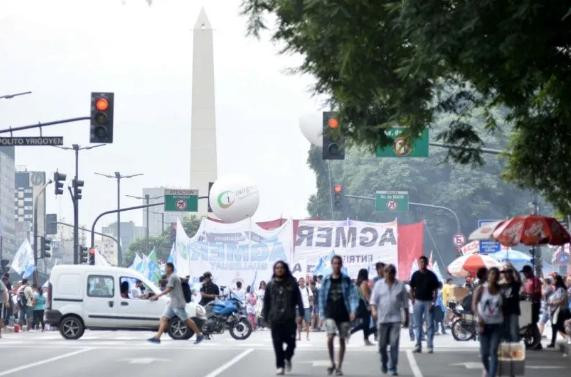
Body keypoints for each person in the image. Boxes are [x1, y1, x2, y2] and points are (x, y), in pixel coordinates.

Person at [318, 255, 358, 376]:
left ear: (341, 265)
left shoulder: (346, 279)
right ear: (331, 265)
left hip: (344, 313)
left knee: (342, 339)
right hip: (330, 312)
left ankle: (339, 366)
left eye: (338, 263)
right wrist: (322, 314)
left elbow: (353, 296)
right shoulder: (326, 279)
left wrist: (353, 310)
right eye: (334, 263)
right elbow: (321, 297)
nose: (336, 265)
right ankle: (332, 362)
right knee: (330, 338)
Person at [262, 261, 304, 375]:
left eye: (281, 268)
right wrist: (265, 317)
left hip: (289, 318)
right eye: (277, 268)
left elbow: (299, 300)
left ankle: (287, 357)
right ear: (274, 270)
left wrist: (301, 314)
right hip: (275, 319)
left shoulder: (292, 284)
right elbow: (266, 302)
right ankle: (280, 366)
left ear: (285, 269)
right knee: (277, 343)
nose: (279, 270)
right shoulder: (270, 285)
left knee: (292, 343)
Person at [148, 263, 204, 344]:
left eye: (166, 267)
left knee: (186, 319)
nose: (165, 269)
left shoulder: (173, 277)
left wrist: (157, 296)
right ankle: (157, 337)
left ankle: (199, 335)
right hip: (173, 303)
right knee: (163, 318)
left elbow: (169, 289)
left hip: (177, 303)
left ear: (170, 268)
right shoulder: (172, 277)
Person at [370, 264, 408, 376]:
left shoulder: (400, 285)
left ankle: (393, 368)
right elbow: (373, 301)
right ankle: (384, 361)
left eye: (391, 272)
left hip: (396, 320)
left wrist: (407, 318)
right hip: (382, 320)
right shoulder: (378, 285)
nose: (389, 274)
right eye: (387, 272)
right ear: (384, 273)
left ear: (394, 273)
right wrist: (374, 310)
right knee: (382, 345)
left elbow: (405, 304)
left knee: (394, 343)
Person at [473, 267, 503, 377]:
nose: (493, 276)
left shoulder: (501, 290)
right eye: (491, 274)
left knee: (494, 351)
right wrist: (479, 318)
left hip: (497, 324)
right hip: (483, 324)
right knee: (484, 354)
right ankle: (489, 370)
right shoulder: (481, 289)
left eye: (496, 274)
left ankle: (491, 374)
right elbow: (474, 304)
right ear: (488, 276)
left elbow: (504, 306)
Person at [409, 256, 439, 353]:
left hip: (428, 302)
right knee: (417, 324)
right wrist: (412, 299)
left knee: (430, 324)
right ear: (418, 264)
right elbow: (411, 288)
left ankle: (430, 346)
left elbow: (436, 290)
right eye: (420, 262)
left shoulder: (432, 275)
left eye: (423, 262)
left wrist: (433, 302)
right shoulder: (415, 275)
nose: (422, 264)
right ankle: (418, 345)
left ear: (426, 264)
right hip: (417, 301)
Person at [350, 268, 374, 345]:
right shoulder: (364, 283)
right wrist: (370, 304)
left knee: (366, 323)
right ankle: (350, 332)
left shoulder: (358, 283)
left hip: (360, 303)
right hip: (364, 304)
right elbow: (366, 296)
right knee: (365, 323)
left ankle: (366, 339)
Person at [521, 265, 542, 349]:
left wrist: (530, 295)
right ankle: (535, 341)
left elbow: (537, 290)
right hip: (526, 304)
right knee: (528, 322)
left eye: (525, 272)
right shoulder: (525, 280)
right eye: (524, 273)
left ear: (530, 272)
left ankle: (537, 341)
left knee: (533, 322)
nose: (525, 274)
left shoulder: (535, 280)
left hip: (535, 303)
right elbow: (523, 291)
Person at [547, 274, 570, 348]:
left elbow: (562, 300)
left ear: (557, 280)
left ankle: (554, 342)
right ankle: (553, 342)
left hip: (561, 311)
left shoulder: (561, 289)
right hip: (556, 310)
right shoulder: (557, 289)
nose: (552, 281)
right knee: (555, 326)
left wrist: (552, 303)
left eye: (553, 279)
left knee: (559, 326)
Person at [500, 264, 521, 342]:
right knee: (505, 331)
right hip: (503, 311)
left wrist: (512, 267)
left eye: (508, 272)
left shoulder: (515, 284)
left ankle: (515, 349)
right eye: (505, 273)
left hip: (513, 310)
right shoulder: (501, 285)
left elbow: (518, 277)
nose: (506, 274)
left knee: (513, 331)